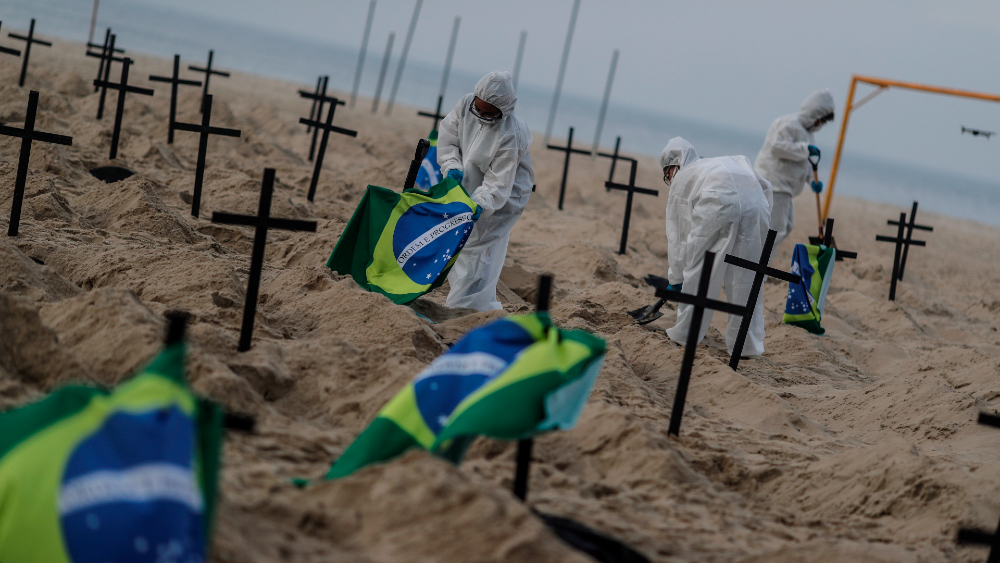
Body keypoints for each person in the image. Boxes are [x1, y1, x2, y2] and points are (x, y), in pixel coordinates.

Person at [661, 137, 773, 356]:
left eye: (668, 174)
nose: (670, 178)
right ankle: (747, 346)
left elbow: (679, 236)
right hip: (757, 207)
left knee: (702, 269)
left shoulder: (684, 177)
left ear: (674, 165)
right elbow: (766, 188)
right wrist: (763, 227)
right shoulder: (727, 162)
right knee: (747, 276)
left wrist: (676, 279)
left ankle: (687, 334)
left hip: (718, 203)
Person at [437, 70, 534, 311]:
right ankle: (483, 309)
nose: (481, 116)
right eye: (478, 110)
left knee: (479, 251)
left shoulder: (511, 132)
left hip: (504, 196)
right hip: (468, 183)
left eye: (489, 113)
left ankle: (462, 310)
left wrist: (483, 201)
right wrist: (451, 165)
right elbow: (448, 136)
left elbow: (499, 179)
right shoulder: (466, 104)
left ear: (503, 111)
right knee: (460, 245)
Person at [753, 89, 836, 263]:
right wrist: (805, 150)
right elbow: (777, 146)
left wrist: (811, 181)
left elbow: (803, 163)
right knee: (774, 229)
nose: (821, 124)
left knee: (786, 227)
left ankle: (760, 266)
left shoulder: (808, 134)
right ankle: (756, 267)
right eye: (821, 119)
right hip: (774, 183)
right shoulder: (789, 123)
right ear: (815, 113)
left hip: (786, 188)